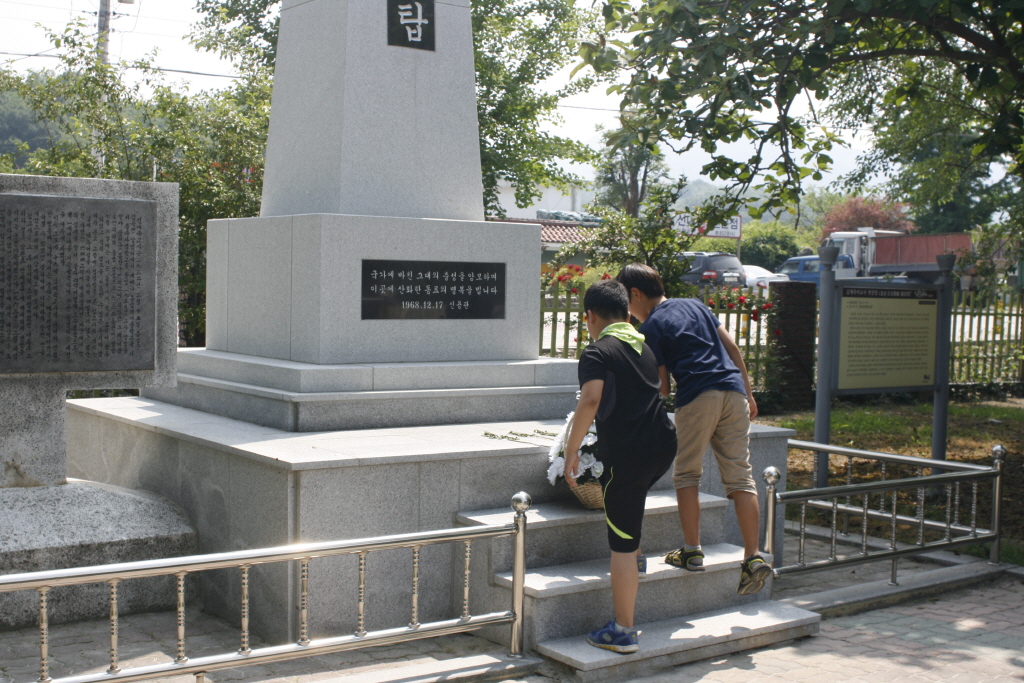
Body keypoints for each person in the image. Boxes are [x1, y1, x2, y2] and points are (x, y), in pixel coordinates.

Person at [615, 263, 772, 595]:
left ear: (636, 294)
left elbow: (662, 388)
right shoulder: (697, 305)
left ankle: (692, 550)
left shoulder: (653, 325)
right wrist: (748, 391)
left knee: (687, 474)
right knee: (741, 476)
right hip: (733, 393)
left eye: (627, 304)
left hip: (698, 396)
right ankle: (753, 556)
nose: (628, 312)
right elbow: (732, 347)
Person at [562, 279, 677, 654]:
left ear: (590, 317)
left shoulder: (598, 351)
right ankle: (637, 555)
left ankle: (623, 631)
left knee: (621, 541)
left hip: (630, 453)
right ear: (628, 314)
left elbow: (591, 399)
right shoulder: (642, 347)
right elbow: (661, 390)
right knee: (631, 503)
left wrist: (571, 448)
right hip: (663, 444)